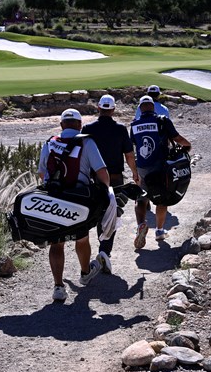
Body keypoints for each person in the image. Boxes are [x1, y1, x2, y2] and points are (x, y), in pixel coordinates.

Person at [38, 108, 111, 303]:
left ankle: (58, 287)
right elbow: (102, 172)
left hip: (54, 198)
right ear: (80, 125)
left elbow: (41, 173)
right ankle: (85, 272)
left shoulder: (50, 143)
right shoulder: (87, 142)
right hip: (80, 200)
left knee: (56, 242)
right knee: (82, 238)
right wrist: (106, 193)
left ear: (61, 125)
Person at [82, 95, 138, 275]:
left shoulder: (88, 129)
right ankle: (104, 250)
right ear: (113, 110)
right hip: (115, 180)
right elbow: (129, 155)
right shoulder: (121, 129)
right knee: (111, 215)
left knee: (95, 215)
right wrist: (135, 173)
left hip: (93, 181)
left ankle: (99, 250)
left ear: (98, 108)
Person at [130, 95, 191, 247]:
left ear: (140, 109)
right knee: (162, 199)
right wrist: (187, 146)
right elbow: (176, 138)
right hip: (161, 167)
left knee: (141, 198)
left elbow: (131, 149)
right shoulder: (162, 120)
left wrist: (134, 171)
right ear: (153, 107)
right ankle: (159, 231)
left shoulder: (134, 124)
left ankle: (140, 225)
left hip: (142, 166)